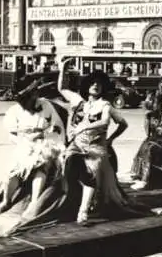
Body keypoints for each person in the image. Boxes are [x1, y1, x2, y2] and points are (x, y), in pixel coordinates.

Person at [57, 67, 149, 224]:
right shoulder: (79, 102)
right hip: (76, 146)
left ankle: (83, 211)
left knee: (90, 174)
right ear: (86, 86)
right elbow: (62, 88)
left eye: (99, 84)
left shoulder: (105, 104)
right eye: (92, 83)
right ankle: (71, 205)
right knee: (68, 167)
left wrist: (110, 139)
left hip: (95, 148)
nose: (95, 85)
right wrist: (63, 67)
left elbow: (115, 122)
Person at [0, 78, 66, 218]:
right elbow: (12, 133)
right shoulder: (15, 111)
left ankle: (34, 203)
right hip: (25, 144)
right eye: (32, 93)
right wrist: (25, 141)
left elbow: (57, 127)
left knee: (40, 165)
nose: (36, 94)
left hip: (45, 143)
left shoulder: (46, 105)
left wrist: (43, 134)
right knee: (14, 169)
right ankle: (6, 201)